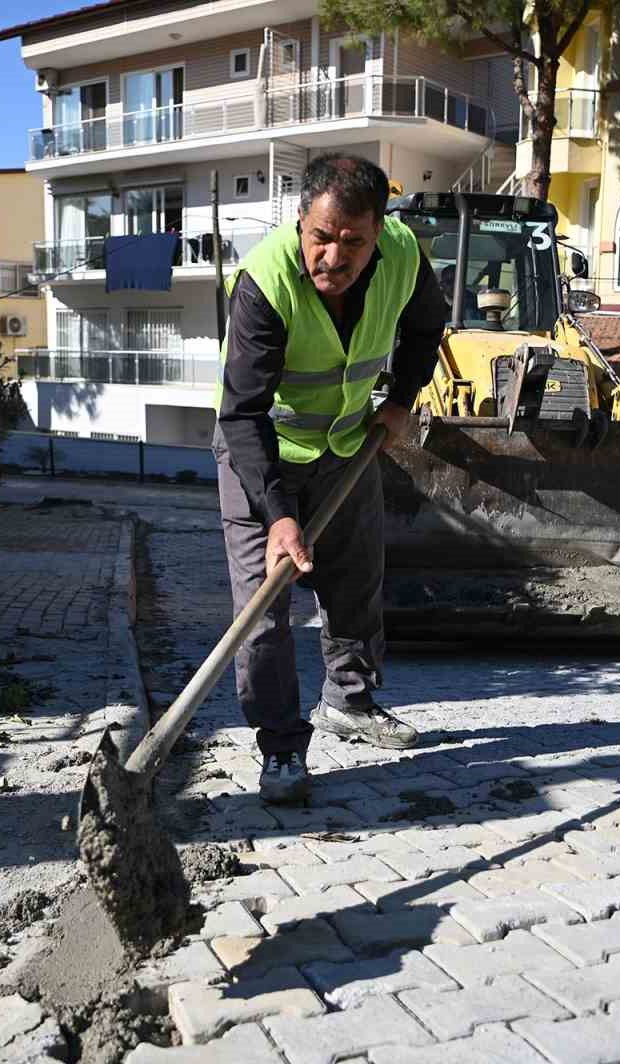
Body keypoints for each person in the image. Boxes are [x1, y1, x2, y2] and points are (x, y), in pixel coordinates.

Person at [214, 153, 447, 804]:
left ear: (378, 232)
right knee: (265, 609)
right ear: (300, 224)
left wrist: (402, 397)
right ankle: (283, 748)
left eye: (353, 242)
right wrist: (279, 514)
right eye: (320, 237)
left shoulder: (402, 253)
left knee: (354, 580)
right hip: (259, 451)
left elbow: (428, 323)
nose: (333, 257)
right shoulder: (264, 282)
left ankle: (350, 701)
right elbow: (244, 411)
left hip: (345, 443)